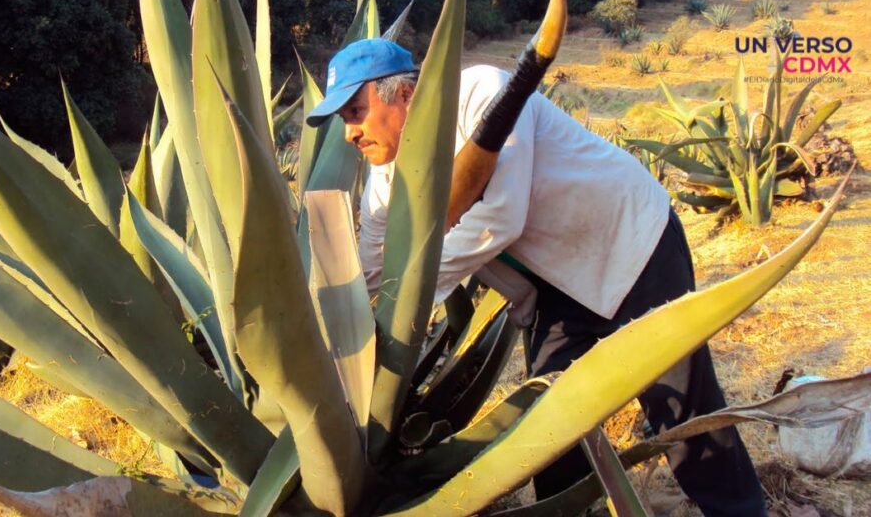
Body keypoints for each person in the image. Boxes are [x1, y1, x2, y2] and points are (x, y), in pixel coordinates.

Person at [306, 38, 767, 516]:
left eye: (356, 111)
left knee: (679, 409)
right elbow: (374, 276)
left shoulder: (484, 93)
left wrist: (411, 296)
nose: (350, 134)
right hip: (555, 290)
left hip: (628, 243)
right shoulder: (384, 182)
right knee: (550, 426)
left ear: (403, 94)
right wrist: (331, 342)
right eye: (343, 120)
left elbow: (500, 219)